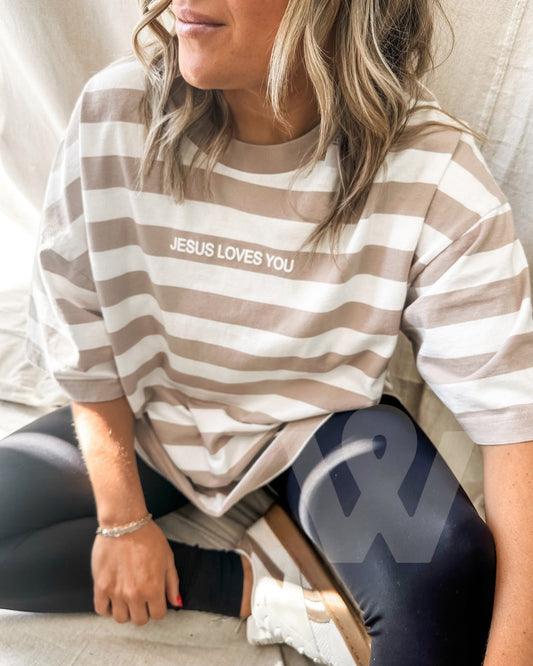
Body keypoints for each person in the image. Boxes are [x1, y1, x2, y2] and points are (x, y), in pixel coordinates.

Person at [1, 0, 532, 664]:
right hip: (156, 414)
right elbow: (81, 337)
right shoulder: (116, 113)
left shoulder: (432, 164)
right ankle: (268, 590)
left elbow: (513, 420)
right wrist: (124, 523)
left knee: (446, 577)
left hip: (326, 422)